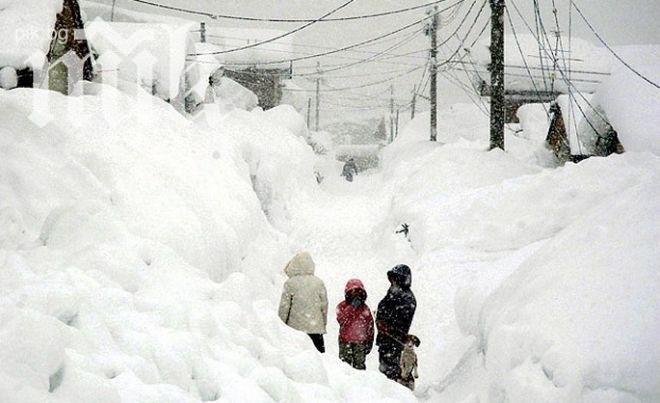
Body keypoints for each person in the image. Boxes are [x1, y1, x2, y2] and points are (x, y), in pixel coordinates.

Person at [278, 252, 328, 353]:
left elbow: (284, 308)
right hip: (315, 330)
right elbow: (324, 307)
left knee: (298, 359)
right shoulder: (319, 283)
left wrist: (281, 327)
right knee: (320, 361)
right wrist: (323, 323)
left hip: (295, 331)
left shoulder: (290, 283)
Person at [376, 264, 417, 381]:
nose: (393, 281)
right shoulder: (394, 292)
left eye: (395, 278)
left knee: (393, 372)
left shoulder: (407, 298)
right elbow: (384, 306)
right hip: (386, 340)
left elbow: (402, 320)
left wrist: (387, 326)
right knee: (385, 370)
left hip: (394, 341)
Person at [336, 279, 374, 370]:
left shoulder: (364, 308)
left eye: (358, 293)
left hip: (360, 343)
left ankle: (360, 383)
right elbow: (341, 320)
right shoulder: (342, 306)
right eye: (353, 293)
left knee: (359, 367)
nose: (356, 296)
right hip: (345, 342)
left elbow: (370, 326)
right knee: (345, 367)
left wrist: (369, 341)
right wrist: (351, 308)